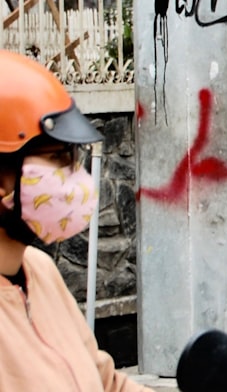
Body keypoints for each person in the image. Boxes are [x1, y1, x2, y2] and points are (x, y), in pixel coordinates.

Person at [0, 49, 147, 392]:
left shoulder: (40, 271)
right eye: (56, 158)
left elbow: (106, 383)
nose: (73, 177)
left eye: (73, 157)